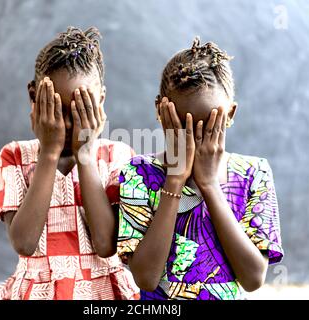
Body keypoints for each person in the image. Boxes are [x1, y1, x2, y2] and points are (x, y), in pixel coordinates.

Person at [117, 37, 284, 300]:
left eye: (207, 126)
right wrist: (174, 180)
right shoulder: (139, 174)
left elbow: (253, 278)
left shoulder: (253, 173)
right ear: (161, 112)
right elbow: (146, 278)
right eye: (184, 125)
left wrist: (208, 184)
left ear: (230, 115)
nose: (195, 139)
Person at [0, 27, 139, 300]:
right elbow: (24, 242)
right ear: (34, 97)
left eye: (81, 111)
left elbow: (106, 245)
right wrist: (48, 153)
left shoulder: (119, 157)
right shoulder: (14, 156)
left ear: (101, 102)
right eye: (58, 111)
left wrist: (85, 154)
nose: (69, 125)